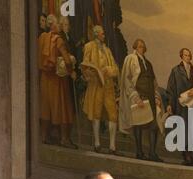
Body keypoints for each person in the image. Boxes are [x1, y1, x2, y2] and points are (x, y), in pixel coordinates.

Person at [119, 39, 164, 162]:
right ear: (135, 47)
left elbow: (154, 82)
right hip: (139, 96)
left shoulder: (148, 63)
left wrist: (156, 97)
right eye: (139, 46)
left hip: (150, 97)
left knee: (154, 125)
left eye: (143, 47)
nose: (141, 48)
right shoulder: (130, 59)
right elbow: (127, 79)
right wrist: (135, 96)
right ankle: (139, 152)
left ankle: (152, 153)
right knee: (138, 125)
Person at [38, 14, 77, 149]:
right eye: (58, 24)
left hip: (44, 77)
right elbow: (66, 59)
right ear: (53, 25)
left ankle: (44, 136)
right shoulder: (58, 40)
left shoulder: (42, 38)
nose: (60, 26)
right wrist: (71, 70)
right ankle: (64, 139)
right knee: (63, 107)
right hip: (57, 79)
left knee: (46, 107)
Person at [167, 48, 193, 167]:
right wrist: (170, 104)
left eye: (189, 55)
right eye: (185, 55)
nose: (188, 57)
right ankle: (187, 157)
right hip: (182, 106)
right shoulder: (175, 71)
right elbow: (171, 89)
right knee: (183, 131)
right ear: (181, 56)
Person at [81, 26, 120, 154]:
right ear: (97, 34)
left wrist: (109, 70)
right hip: (96, 85)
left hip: (108, 85)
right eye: (102, 34)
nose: (104, 36)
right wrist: (93, 73)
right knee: (96, 113)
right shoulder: (89, 46)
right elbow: (85, 65)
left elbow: (115, 68)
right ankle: (97, 143)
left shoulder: (107, 50)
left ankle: (112, 146)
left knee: (113, 114)